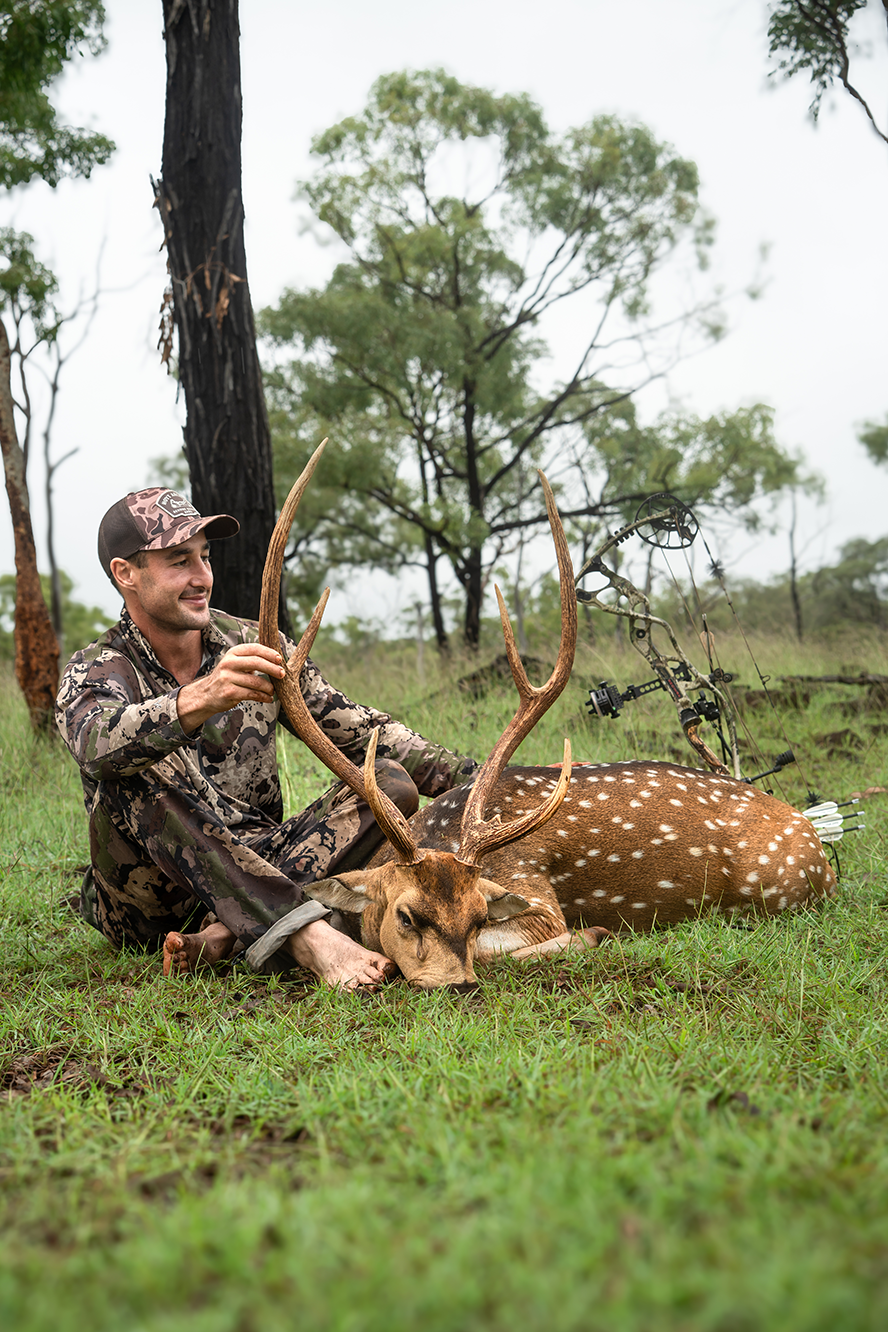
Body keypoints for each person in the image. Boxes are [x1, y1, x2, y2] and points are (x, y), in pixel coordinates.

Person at [55, 487, 477, 990]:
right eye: (178, 561)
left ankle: (223, 936)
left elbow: (366, 732)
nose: (201, 578)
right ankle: (310, 937)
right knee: (134, 762)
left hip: (268, 863)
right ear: (126, 573)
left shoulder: (258, 643)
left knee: (387, 782)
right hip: (151, 906)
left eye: (204, 557)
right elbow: (94, 744)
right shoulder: (95, 669)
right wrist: (199, 699)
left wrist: (492, 778)